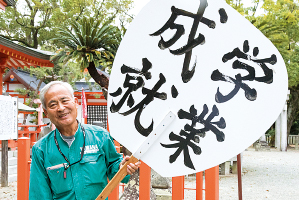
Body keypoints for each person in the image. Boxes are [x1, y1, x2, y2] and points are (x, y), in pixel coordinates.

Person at [29, 81, 140, 200]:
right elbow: (39, 194)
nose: (61, 108)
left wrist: (122, 167)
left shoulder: (100, 136)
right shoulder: (41, 149)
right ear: (46, 112)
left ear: (75, 102)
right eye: (53, 105)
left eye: (64, 100)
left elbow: (113, 166)